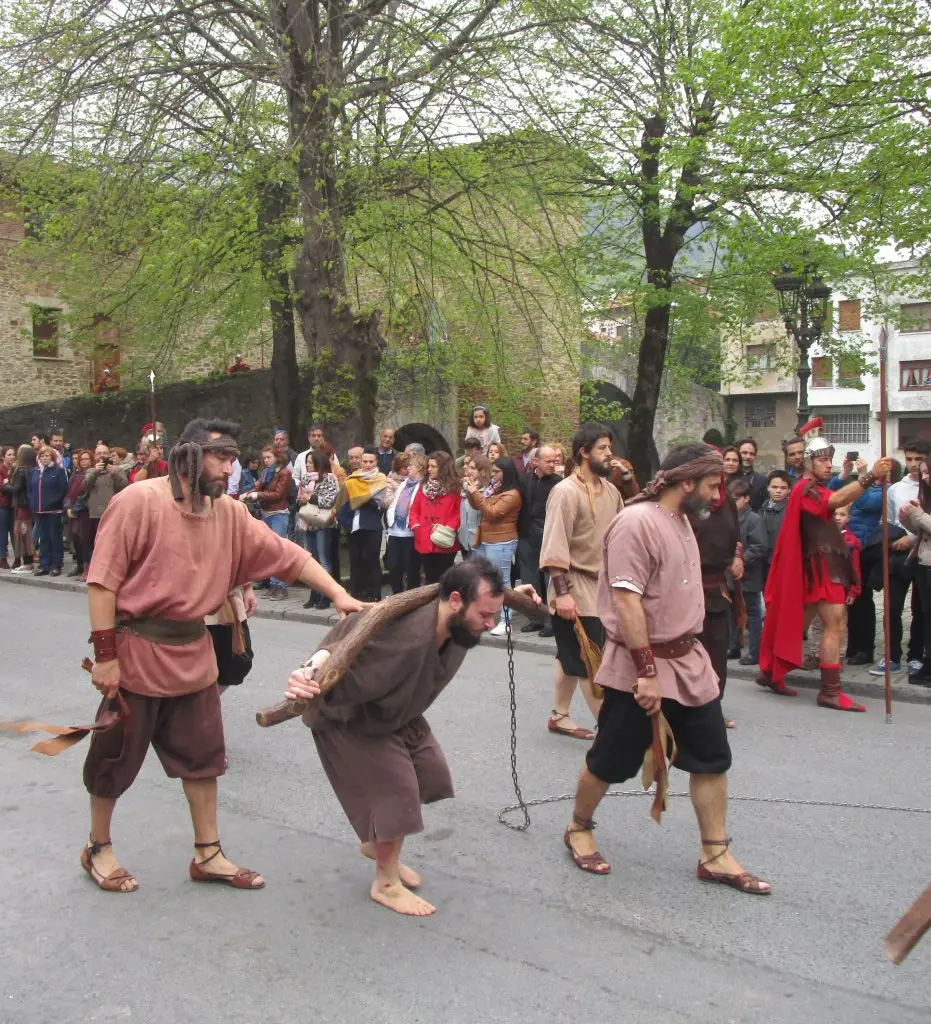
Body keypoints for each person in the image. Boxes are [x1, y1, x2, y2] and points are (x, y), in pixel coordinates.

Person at [78, 417, 366, 894]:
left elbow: (290, 556)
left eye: (234, 459)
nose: (232, 468)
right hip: (136, 653)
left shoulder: (230, 512)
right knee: (114, 756)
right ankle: (98, 846)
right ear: (189, 457)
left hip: (194, 653)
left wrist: (340, 595)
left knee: (204, 758)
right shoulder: (137, 502)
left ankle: (207, 853)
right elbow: (101, 581)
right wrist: (106, 655)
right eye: (223, 457)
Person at [562, 442, 770, 895]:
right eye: (713, 486)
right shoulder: (636, 523)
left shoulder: (680, 520)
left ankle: (715, 853)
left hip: (688, 663)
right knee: (610, 760)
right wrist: (647, 671)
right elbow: (626, 600)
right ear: (687, 481)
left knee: (713, 758)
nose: (717, 496)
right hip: (642, 665)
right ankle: (578, 827)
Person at [283, 558, 541, 916]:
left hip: (395, 710)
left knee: (429, 771)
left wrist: (516, 594)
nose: (489, 624)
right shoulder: (401, 633)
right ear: (454, 601)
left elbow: (486, 591)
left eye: (494, 615)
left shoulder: (458, 614)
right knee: (397, 788)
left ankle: (380, 842)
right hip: (347, 715)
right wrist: (307, 671)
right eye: (484, 615)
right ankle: (386, 883)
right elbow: (337, 645)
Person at [757, 419, 891, 711]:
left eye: (829, 459)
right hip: (819, 568)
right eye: (821, 460)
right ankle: (829, 691)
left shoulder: (814, 487)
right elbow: (838, 501)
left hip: (821, 566)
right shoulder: (806, 489)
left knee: (797, 622)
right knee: (835, 624)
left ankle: (770, 673)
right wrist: (869, 477)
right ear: (807, 463)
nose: (827, 464)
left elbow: (836, 497)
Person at [540, 424, 623, 740]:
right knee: (590, 659)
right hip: (573, 586)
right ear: (584, 452)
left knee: (569, 655)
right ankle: (612, 732)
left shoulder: (611, 492)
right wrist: (562, 594)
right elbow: (554, 545)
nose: (609, 453)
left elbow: (621, 539)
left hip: (602, 586)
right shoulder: (565, 492)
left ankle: (559, 715)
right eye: (602, 447)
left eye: (609, 447)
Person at [688, 464, 741, 729]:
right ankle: (687, 709)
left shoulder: (727, 502)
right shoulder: (687, 504)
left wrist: (737, 557)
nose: (716, 492)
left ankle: (712, 708)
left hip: (717, 589)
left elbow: (736, 536)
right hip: (687, 588)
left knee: (717, 650)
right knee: (689, 651)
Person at [827, 456, 882, 667]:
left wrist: (863, 477)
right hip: (839, 550)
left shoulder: (880, 491)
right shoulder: (851, 488)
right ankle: (849, 647)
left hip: (863, 551)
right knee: (843, 606)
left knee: (862, 603)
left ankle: (865, 649)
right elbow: (828, 495)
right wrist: (843, 474)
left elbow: (864, 501)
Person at [881, 439, 929, 676]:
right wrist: (892, 540)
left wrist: (912, 538)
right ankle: (891, 656)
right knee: (892, 606)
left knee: (920, 608)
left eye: (918, 460)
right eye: (909, 459)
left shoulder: (929, 486)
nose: (913, 464)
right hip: (899, 555)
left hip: (922, 555)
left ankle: (915, 654)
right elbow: (888, 521)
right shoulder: (896, 489)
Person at [465, 456, 522, 636]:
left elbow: (492, 513)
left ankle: (506, 621)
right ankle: (483, 615)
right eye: (493, 471)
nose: (493, 475)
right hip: (486, 539)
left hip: (502, 542)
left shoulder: (512, 494)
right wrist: (470, 490)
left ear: (507, 473)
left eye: (497, 472)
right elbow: (477, 506)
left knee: (502, 581)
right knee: (481, 579)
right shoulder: (494, 489)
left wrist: (475, 493)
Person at [805, 505, 862, 669]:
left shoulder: (851, 541)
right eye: (834, 514)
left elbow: (855, 568)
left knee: (839, 624)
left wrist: (854, 589)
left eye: (842, 514)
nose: (837, 517)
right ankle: (816, 654)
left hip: (840, 587)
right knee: (817, 622)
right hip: (821, 586)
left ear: (848, 518)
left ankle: (838, 656)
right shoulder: (819, 538)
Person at [517, 444, 559, 636]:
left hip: (549, 536)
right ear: (536, 462)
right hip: (526, 536)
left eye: (555, 460)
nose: (553, 464)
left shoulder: (559, 483)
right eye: (548, 461)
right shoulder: (524, 480)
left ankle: (551, 621)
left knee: (549, 580)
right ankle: (535, 618)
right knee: (529, 579)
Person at [240, 446, 292, 601]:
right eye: (264, 458)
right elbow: (258, 485)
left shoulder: (284, 472)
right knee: (267, 550)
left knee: (278, 550)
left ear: (277, 457)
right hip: (266, 513)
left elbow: (278, 494)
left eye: (269, 457)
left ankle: (280, 586)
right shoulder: (266, 472)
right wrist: (247, 493)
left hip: (278, 514)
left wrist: (258, 494)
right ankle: (271, 583)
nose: (265, 460)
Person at [336, 445, 387, 603]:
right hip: (354, 525)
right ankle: (356, 594)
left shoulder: (380, 479)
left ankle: (374, 594)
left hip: (371, 525)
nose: (367, 464)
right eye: (365, 461)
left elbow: (379, 503)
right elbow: (343, 500)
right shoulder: (353, 479)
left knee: (371, 561)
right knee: (355, 561)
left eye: (371, 461)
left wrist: (360, 499)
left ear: (376, 462)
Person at [899, 456, 931, 684]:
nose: (926, 478)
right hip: (923, 562)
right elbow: (920, 531)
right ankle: (927, 663)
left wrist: (918, 516)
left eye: (928, 473)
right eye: (923, 474)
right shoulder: (925, 496)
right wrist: (908, 517)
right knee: (925, 616)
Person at [727, 477, 765, 668]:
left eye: (736, 499)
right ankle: (733, 645)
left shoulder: (754, 519)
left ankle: (755, 651)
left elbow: (759, 546)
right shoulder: (729, 518)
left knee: (752, 612)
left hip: (749, 575)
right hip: (730, 575)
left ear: (746, 498)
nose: (733, 503)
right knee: (732, 611)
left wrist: (742, 560)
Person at [296, 450, 340, 609]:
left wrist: (310, 498)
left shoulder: (329, 479)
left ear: (319, 463)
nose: (307, 464)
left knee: (323, 560)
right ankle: (314, 594)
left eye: (310, 462)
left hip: (323, 524)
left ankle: (326, 595)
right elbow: (299, 498)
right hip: (308, 522)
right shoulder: (305, 479)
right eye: (306, 462)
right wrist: (301, 499)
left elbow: (329, 501)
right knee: (311, 560)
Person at [409, 451, 461, 583]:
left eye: (433, 466)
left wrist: (448, 528)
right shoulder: (423, 487)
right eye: (428, 466)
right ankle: (432, 604)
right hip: (425, 537)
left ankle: (445, 602)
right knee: (429, 577)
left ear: (443, 468)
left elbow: (458, 512)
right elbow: (414, 510)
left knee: (445, 577)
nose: (429, 469)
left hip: (444, 538)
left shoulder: (455, 488)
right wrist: (416, 526)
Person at [385, 453, 424, 594]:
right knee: (394, 569)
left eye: (411, 465)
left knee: (411, 570)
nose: (408, 468)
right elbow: (394, 503)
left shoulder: (422, 486)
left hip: (410, 534)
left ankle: (411, 601)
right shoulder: (403, 484)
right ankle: (397, 599)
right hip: (395, 532)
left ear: (420, 468)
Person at [27, 444, 69, 576]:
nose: (45, 458)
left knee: (54, 538)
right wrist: (32, 502)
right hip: (39, 511)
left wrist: (53, 503)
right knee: (43, 539)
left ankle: (56, 565)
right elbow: (30, 490)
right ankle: (44, 565)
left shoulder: (58, 471)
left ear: (52, 457)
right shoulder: (35, 472)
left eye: (47, 456)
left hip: (53, 511)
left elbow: (63, 490)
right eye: (42, 456)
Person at [83, 443, 128, 562]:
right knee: (96, 543)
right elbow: (85, 486)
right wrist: (95, 472)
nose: (102, 456)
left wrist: (114, 473)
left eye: (105, 453)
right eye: (99, 453)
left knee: (112, 543)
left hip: (112, 512)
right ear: (95, 456)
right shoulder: (91, 471)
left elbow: (124, 487)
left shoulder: (118, 470)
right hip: (95, 514)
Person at [9, 444, 37, 573]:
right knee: (27, 534)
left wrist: (5, 485)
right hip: (30, 506)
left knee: (23, 534)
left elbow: (16, 489)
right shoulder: (34, 469)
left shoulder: (21, 470)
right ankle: (28, 562)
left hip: (22, 506)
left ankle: (27, 564)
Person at [760, 470, 790, 589]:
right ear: (768, 488)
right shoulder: (763, 507)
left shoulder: (791, 510)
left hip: (781, 561)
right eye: (775, 487)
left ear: (789, 490)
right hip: (763, 560)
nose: (778, 491)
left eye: (783, 488)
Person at [65, 449, 93, 578]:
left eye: (86, 459)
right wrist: (68, 507)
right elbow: (69, 494)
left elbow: (86, 495)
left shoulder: (92, 474)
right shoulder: (76, 475)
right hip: (74, 513)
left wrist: (75, 508)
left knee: (86, 541)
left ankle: (88, 568)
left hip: (86, 512)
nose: (83, 462)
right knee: (77, 541)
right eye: (81, 459)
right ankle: (80, 566)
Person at [458, 454, 491, 558]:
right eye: (469, 467)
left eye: (473, 468)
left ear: (483, 471)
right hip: (465, 538)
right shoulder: (465, 486)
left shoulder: (488, 490)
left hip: (479, 540)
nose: (469, 470)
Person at [737, 437, 769, 511]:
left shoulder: (762, 480)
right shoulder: (728, 477)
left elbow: (764, 506)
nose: (748, 457)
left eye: (752, 454)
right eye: (744, 453)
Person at [0, 445, 14, 569]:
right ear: (3, 457)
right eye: (9, 455)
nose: (12, 457)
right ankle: (2, 557)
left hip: (13, 505)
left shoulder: (14, 468)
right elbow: (2, 486)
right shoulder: (1, 469)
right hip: (3, 505)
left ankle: (18, 558)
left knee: (14, 532)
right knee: (3, 532)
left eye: (13, 454)